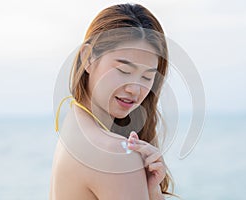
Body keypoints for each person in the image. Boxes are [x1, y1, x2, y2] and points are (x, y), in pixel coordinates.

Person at [50, 3, 180, 200]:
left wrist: (152, 191)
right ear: (88, 58)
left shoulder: (73, 128)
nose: (135, 89)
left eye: (147, 77)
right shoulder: (115, 153)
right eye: (124, 71)